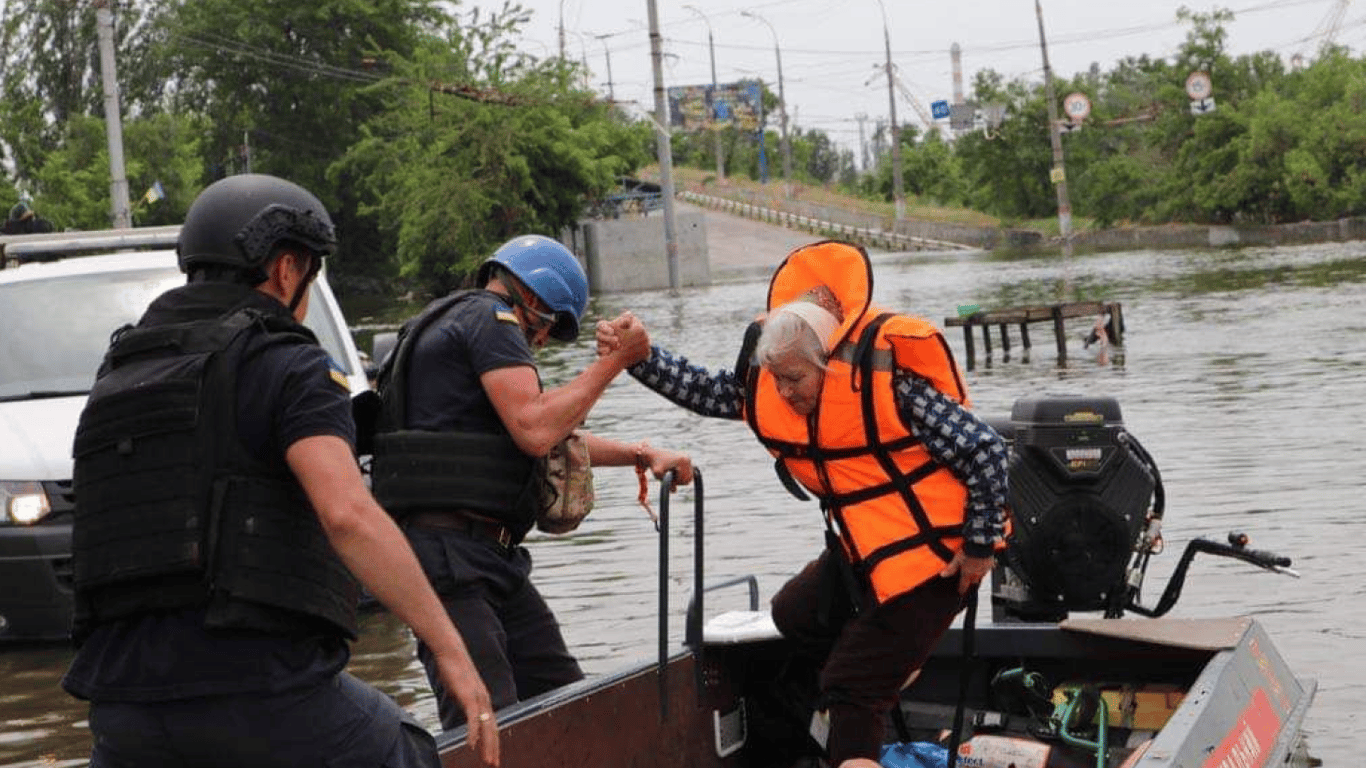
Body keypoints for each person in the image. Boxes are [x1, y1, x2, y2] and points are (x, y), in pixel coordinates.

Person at [61, 173, 499, 768]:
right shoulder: (291, 363)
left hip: (119, 709)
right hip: (255, 689)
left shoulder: (114, 378)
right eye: (311, 277)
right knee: (407, 751)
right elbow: (348, 516)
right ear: (287, 270)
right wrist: (452, 651)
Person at [598, 239, 1009, 767]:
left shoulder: (893, 387)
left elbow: (986, 450)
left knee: (850, 688)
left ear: (830, 364)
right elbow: (710, 390)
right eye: (777, 380)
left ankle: (871, 688)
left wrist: (979, 547)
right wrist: (641, 359)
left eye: (795, 379)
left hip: (937, 555)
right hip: (864, 548)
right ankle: (894, 664)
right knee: (793, 614)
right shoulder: (777, 384)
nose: (785, 394)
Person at [368, 234, 694, 732]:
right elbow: (537, 428)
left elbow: (552, 435)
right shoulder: (493, 322)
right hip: (454, 561)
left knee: (565, 700)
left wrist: (641, 454)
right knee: (485, 722)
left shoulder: (447, 322)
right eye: (546, 329)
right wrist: (615, 361)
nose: (539, 343)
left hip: (481, 557)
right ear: (535, 299)